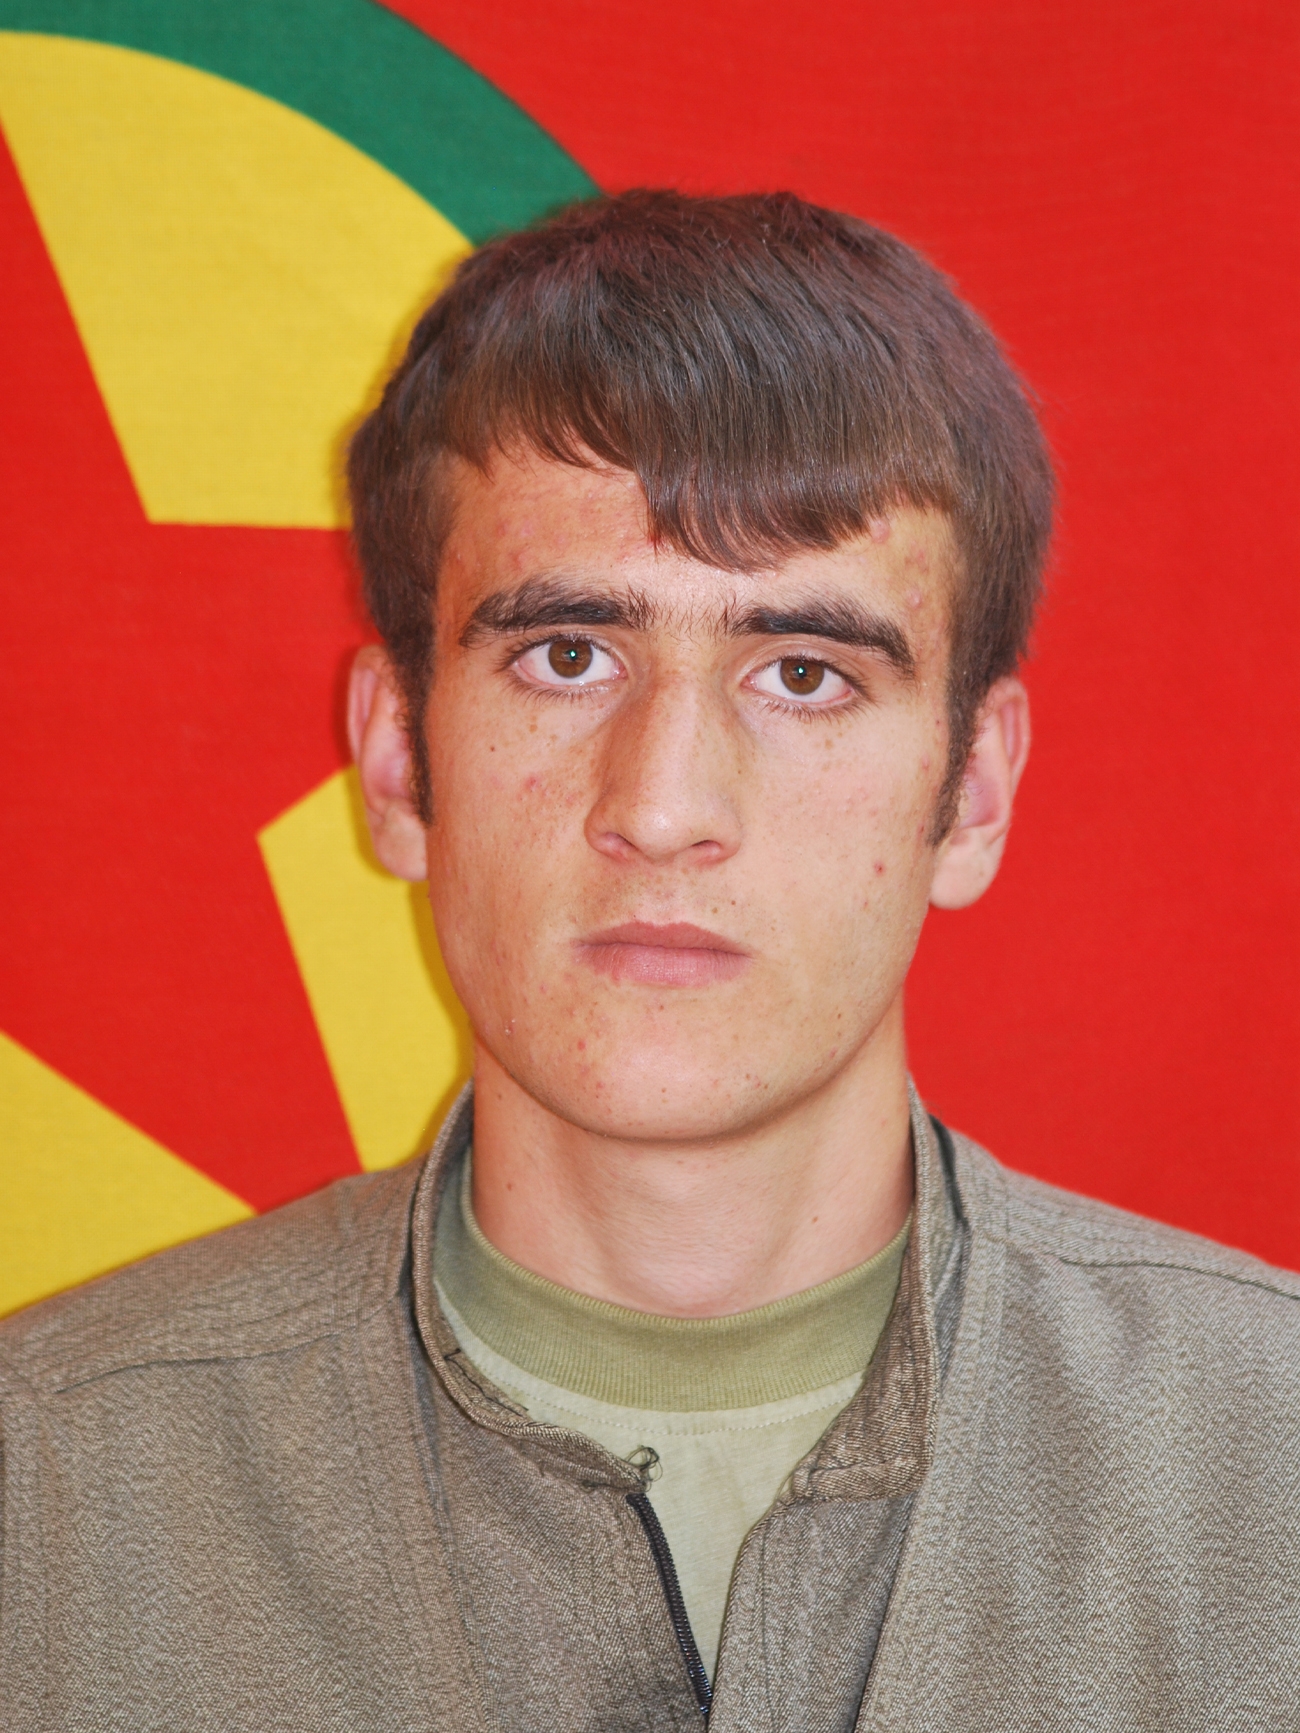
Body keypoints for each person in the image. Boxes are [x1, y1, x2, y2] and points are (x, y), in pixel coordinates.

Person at [2, 190, 1297, 1733]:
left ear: (972, 792)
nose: (665, 806)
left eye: (804, 673)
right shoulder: (45, 1496)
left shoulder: (1271, 1462)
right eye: (568, 656)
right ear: (400, 760)